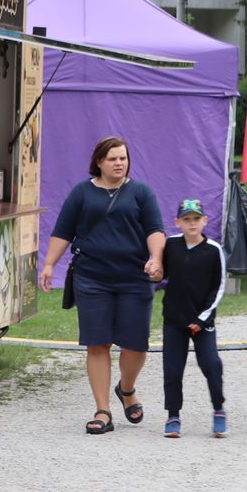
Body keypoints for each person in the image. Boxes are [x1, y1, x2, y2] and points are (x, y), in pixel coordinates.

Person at [41, 136, 165, 435]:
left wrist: (156, 257)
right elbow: (63, 231)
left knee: (135, 345)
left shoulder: (140, 192)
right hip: (92, 277)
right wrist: (48, 265)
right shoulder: (82, 193)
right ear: (99, 161)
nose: (119, 163)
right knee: (98, 343)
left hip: (134, 278)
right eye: (112, 159)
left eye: (123, 158)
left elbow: (155, 230)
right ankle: (102, 410)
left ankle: (126, 388)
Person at [148, 199, 227, 438]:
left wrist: (202, 319)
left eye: (196, 219)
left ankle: (219, 410)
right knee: (172, 369)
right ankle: (173, 415)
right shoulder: (171, 245)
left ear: (205, 221)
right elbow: (161, 274)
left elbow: (219, 287)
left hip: (202, 322)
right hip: (174, 319)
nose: (192, 224)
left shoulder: (214, 250)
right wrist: (154, 273)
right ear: (177, 222)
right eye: (186, 219)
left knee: (211, 364)